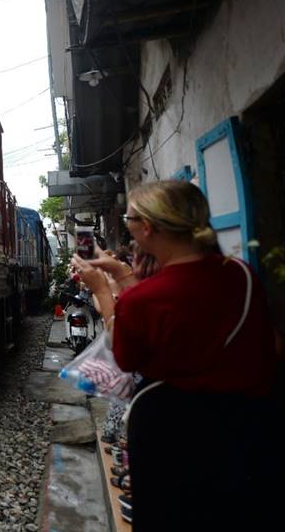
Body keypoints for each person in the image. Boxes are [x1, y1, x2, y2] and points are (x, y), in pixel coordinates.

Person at [71, 180, 277, 531]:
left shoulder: (144, 299)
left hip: (172, 431)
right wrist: (121, 272)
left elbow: (126, 356)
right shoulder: (241, 274)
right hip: (244, 423)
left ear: (147, 228)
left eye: (129, 217)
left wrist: (103, 290)